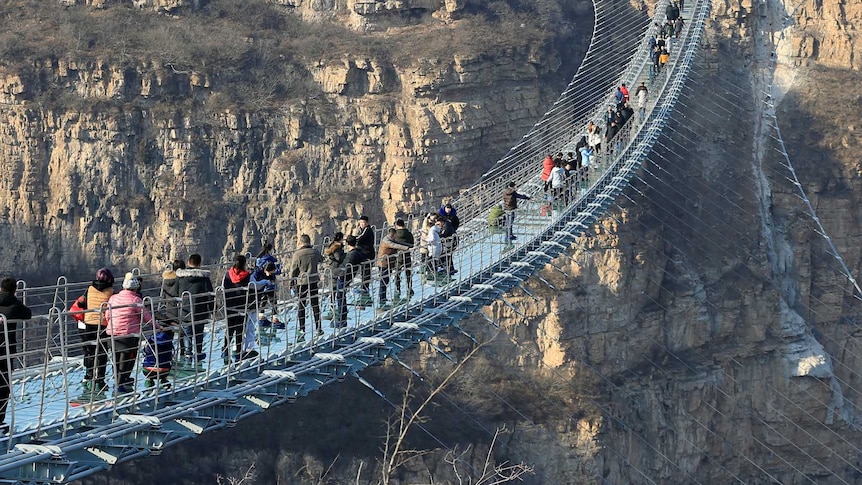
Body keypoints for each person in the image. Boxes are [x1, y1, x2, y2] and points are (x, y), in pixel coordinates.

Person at [105, 273, 160, 394]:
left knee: (116, 358)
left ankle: (119, 380)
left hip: (112, 334)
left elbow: (107, 315)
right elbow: (147, 318)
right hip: (129, 336)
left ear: (123, 287)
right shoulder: (136, 300)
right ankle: (121, 383)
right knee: (128, 359)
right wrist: (158, 327)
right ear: (135, 288)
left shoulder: (113, 298)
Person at [75, 268, 114, 393]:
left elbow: (81, 304)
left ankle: (88, 376)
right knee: (102, 353)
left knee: (89, 351)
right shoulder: (111, 292)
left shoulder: (90, 289)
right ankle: (100, 380)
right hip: (102, 325)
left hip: (88, 324)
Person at [0, 277, 30, 433]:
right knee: (4, 384)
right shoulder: (15, 305)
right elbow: (28, 314)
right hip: (6, 349)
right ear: (14, 290)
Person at [176, 254, 214, 364]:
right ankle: (198, 353)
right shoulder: (204, 278)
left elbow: (176, 292)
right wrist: (212, 310)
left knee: (187, 333)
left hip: (185, 311)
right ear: (199, 264)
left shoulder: (181, 277)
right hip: (200, 311)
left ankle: (188, 355)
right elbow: (210, 295)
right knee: (198, 333)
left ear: (189, 262)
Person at [289, 234, 324, 339]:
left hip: (302, 281)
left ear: (301, 242)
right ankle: (319, 328)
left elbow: (294, 270)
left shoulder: (297, 254)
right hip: (313, 280)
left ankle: (302, 329)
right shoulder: (315, 252)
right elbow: (321, 259)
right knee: (315, 304)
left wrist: (291, 282)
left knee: (301, 305)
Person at [222, 254, 250, 364]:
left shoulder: (227, 274)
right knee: (239, 330)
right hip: (241, 306)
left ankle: (225, 350)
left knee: (229, 329)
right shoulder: (247, 275)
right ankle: (238, 352)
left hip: (229, 306)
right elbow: (252, 286)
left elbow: (223, 287)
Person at [377, 228, 412, 308]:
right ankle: (382, 298)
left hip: (388, 263)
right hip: (384, 263)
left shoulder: (390, 239)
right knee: (383, 281)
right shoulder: (387, 241)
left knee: (386, 280)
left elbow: (398, 243)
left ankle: (383, 297)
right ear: (393, 235)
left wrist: (409, 246)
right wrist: (407, 248)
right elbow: (395, 245)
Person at [392, 219, 415, 301]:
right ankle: (409, 287)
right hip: (407, 254)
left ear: (397, 225)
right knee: (408, 272)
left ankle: (398, 288)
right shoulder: (409, 234)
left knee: (397, 272)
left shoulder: (395, 234)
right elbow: (412, 244)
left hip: (398, 255)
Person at [355, 215, 375, 293]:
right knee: (363, 271)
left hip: (368, 253)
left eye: (363, 223)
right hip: (363, 253)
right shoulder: (361, 229)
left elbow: (360, 238)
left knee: (366, 271)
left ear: (366, 223)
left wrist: (351, 239)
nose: (362, 224)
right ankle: (363, 286)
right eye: (360, 223)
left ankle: (365, 287)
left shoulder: (367, 230)